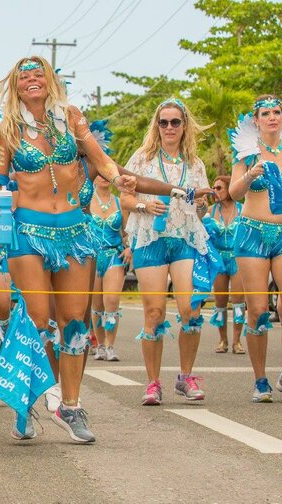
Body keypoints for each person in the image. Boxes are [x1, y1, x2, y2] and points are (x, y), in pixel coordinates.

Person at [0, 56, 199, 443]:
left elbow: (102, 161)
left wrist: (122, 178)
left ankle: (70, 405)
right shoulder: (7, 129)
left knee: (75, 325)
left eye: (39, 74)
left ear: (50, 80)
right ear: (16, 86)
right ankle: (27, 400)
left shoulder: (70, 116)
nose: (32, 80)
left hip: (74, 230)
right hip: (27, 233)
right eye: (24, 77)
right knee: (40, 323)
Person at [121, 98, 211, 405]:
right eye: (164, 122)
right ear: (156, 126)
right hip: (150, 240)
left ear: (184, 126)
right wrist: (145, 205)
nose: (169, 128)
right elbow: (126, 200)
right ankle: (152, 382)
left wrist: (201, 205)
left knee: (191, 309)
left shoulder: (195, 164)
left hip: (184, 238)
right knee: (154, 312)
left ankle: (186, 377)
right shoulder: (142, 158)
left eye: (175, 122)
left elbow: (201, 209)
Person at [227, 94, 282, 403]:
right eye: (266, 113)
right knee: (259, 309)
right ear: (256, 120)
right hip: (252, 234)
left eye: (277, 111)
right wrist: (250, 174)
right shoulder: (246, 152)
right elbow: (234, 194)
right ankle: (260, 380)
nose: (272, 117)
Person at [89, 174, 128, 362]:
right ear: (94, 178)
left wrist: (129, 248)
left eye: (107, 175)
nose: (104, 178)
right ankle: (100, 346)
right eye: (100, 175)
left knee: (111, 300)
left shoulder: (120, 203)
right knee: (96, 305)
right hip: (93, 256)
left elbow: (128, 230)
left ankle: (111, 346)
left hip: (114, 255)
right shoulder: (86, 201)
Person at [204, 175, 244, 354]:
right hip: (218, 258)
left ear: (229, 188)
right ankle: (223, 340)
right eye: (214, 188)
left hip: (237, 258)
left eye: (219, 188)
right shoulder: (210, 211)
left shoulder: (243, 209)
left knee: (238, 300)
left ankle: (237, 341)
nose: (215, 191)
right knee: (220, 301)